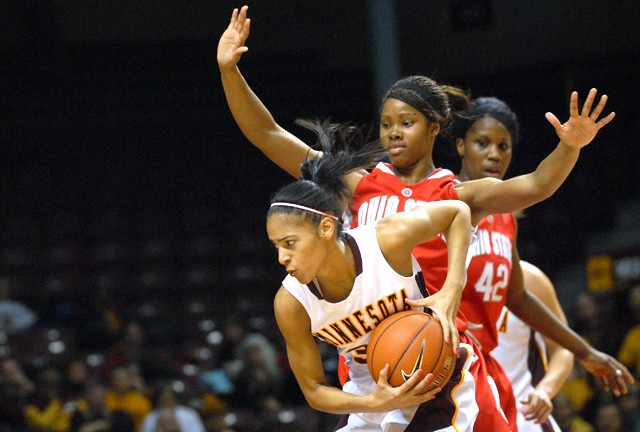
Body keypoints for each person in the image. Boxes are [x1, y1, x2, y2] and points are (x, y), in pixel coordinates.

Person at [217, 5, 634, 427]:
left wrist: (570, 147)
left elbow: (536, 185)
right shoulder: (359, 183)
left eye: (407, 122)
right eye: (386, 124)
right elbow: (267, 134)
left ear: (434, 127)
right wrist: (230, 71)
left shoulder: (455, 193)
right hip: (371, 354)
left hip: (434, 345)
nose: (393, 132)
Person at [266, 120, 496, 430]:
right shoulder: (291, 303)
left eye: (290, 244)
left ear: (325, 228)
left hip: (436, 380)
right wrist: (374, 402)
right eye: (277, 246)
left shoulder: (384, 241)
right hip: (370, 396)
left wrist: (452, 289)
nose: (282, 258)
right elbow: (314, 390)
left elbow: (457, 212)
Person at [446, 96, 575, 431]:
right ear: (460, 145)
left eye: (504, 146)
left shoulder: (523, 270)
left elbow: (561, 348)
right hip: (457, 397)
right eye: (483, 143)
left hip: (518, 410)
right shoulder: (440, 206)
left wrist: (546, 389)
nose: (494, 154)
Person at [140, 382, 205, 432]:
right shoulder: (151, 417)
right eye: (163, 397)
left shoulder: (188, 414)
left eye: (169, 397)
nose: (166, 400)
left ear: (175, 398)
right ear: (158, 399)